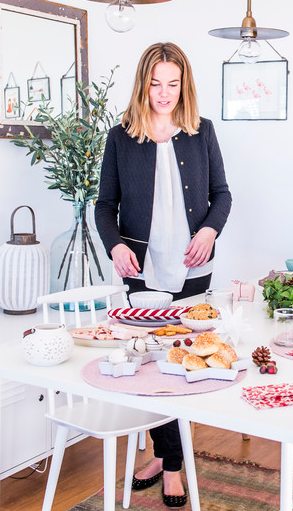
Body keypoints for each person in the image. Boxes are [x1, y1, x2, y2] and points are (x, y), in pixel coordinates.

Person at [95, 42, 232, 508]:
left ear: (183, 85)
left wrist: (209, 231)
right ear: (143, 85)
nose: (164, 92)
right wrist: (115, 245)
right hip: (141, 266)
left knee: (183, 360)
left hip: (192, 264)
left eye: (172, 83)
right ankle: (171, 462)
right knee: (151, 363)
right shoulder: (121, 137)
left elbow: (222, 193)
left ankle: (165, 458)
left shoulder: (201, 131)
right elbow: (104, 205)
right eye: (156, 83)